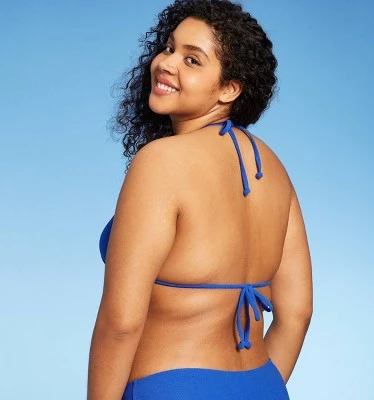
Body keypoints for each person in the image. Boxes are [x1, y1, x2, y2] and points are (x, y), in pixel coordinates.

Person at [87, 0, 313, 399]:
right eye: (169, 48)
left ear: (229, 89)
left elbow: (121, 323)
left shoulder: (160, 162)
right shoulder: (272, 168)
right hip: (262, 385)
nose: (166, 63)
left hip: (172, 387)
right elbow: (297, 313)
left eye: (192, 60)